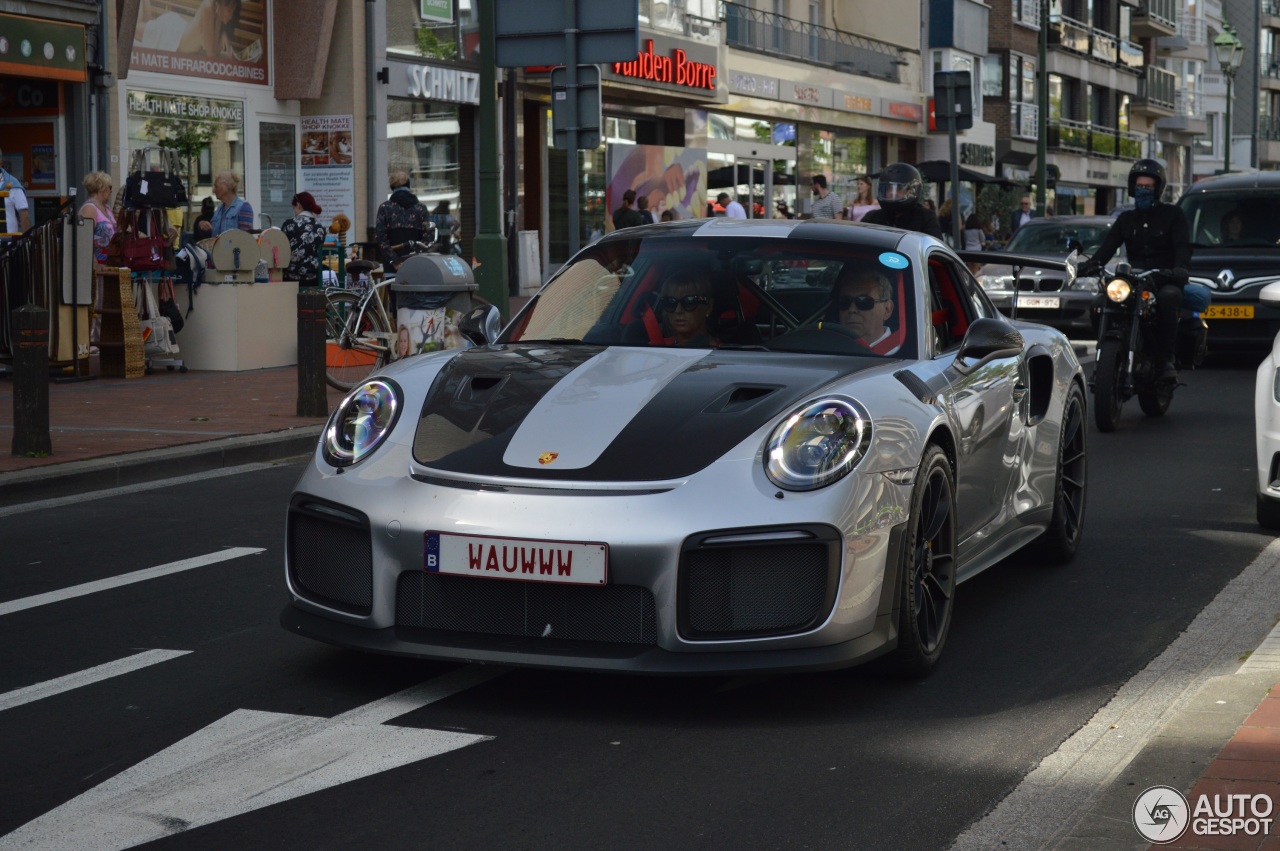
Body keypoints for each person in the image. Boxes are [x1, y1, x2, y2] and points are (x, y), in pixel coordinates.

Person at [1080, 158, 1191, 381]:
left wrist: (1180, 269)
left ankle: (1166, 359)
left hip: (1163, 279)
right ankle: (1106, 356)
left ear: (1158, 189)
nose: (1143, 191)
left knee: (1169, 298)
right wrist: (1089, 265)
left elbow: (1182, 247)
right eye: (1139, 186)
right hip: (1133, 280)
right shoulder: (1126, 219)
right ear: (1132, 188)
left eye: (1148, 187)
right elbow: (1107, 248)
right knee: (1099, 305)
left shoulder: (1173, 216)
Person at [861, 163, 944, 239]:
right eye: (888, 189)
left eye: (899, 189)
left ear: (912, 191)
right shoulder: (872, 218)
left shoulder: (925, 217)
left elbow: (933, 249)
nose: (892, 193)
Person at [136, 0, 242, 58]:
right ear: (222, 2)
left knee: (147, 23)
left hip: (177, 28)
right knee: (136, 27)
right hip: (169, 34)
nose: (232, 13)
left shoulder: (216, 13)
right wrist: (221, 30)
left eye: (234, 7)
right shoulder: (208, 7)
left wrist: (223, 32)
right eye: (231, 6)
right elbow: (212, 55)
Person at [831, 267, 899, 355]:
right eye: (844, 301)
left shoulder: (903, 357)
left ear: (887, 309)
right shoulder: (826, 347)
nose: (851, 309)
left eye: (864, 301)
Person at [375, 171, 431, 272]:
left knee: (393, 287)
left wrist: (394, 261)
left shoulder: (385, 208)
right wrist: (416, 257)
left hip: (393, 267)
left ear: (392, 187)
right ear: (408, 185)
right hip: (417, 265)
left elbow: (380, 238)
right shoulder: (421, 208)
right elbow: (428, 236)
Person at [658, 269, 717, 347]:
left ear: (708, 307)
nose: (678, 310)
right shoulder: (653, 348)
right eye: (670, 302)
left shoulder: (725, 355)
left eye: (689, 302)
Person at [281, 191, 326, 286]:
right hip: (313, 279)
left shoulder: (289, 225)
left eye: (293, 208)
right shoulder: (319, 227)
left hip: (290, 278)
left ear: (298, 205)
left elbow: (282, 250)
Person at [78, 171, 117, 265]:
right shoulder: (89, 208)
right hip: (98, 264)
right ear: (101, 188)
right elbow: (84, 239)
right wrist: (92, 261)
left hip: (110, 262)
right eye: (109, 187)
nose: (111, 191)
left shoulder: (107, 208)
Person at [209, 171, 254, 236]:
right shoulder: (219, 210)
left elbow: (245, 239)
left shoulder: (244, 207)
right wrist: (204, 229)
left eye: (216, 186)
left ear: (225, 187)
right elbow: (211, 236)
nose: (213, 190)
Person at [0, 145, 31, 236]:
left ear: (1, 162)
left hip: (7, 245)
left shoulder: (13, 184)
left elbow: (24, 216)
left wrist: (26, 242)